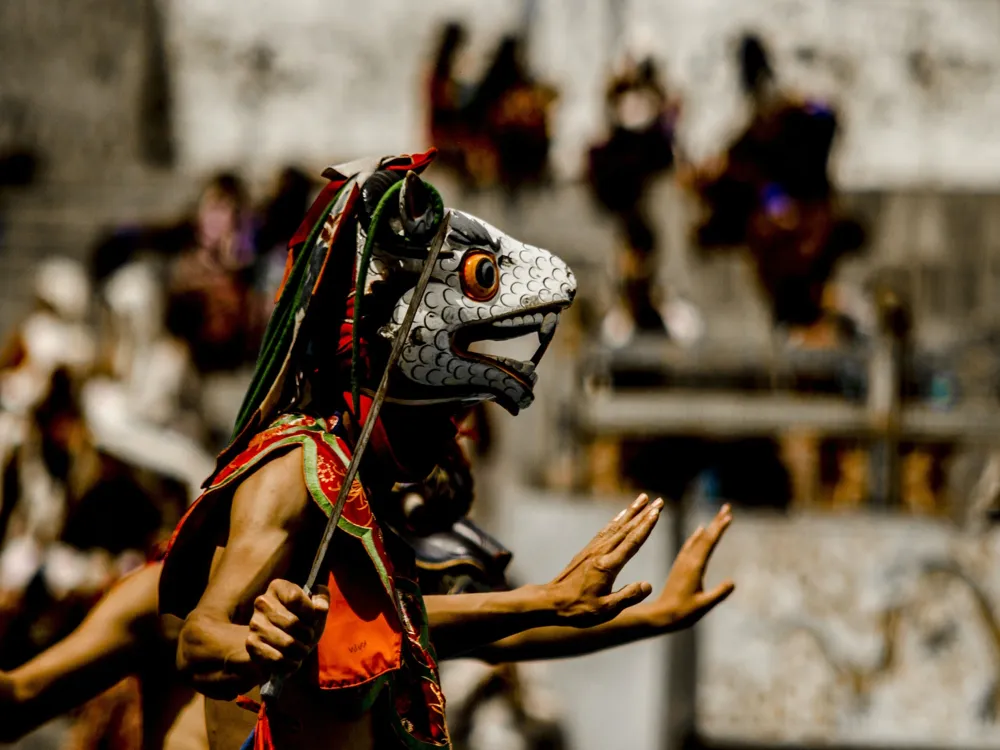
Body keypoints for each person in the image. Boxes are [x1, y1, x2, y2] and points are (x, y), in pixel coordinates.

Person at [155, 151, 734, 749]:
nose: (456, 434)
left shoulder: (362, 501)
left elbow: (484, 629)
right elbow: (199, 640)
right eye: (446, 413)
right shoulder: (294, 470)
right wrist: (253, 645)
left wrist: (651, 613)